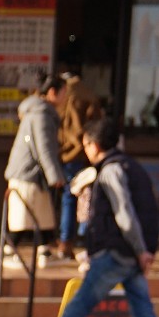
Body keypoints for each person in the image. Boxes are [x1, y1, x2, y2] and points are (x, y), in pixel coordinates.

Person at [9, 117, 159, 317]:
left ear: (94, 145)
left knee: (78, 306)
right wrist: (144, 251)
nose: (85, 150)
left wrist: (140, 250)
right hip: (130, 255)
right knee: (144, 313)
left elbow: (124, 214)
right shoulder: (132, 167)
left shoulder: (111, 171)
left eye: (86, 144)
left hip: (115, 253)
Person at [2, 73, 65, 258]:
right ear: (52, 92)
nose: (65, 98)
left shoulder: (36, 111)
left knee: (40, 214)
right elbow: (44, 148)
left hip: (27, 171)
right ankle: (12, 247)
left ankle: (43, 248)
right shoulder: (41, 115)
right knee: (26, 214)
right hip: (28, 172)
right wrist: (55, 176)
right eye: (63, 93)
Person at [53, 71, 101, 257]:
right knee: (83, 197)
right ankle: (79, 237)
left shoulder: (59, 96)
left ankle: (63, 240)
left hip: (61, 154)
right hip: (82, 153)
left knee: (66, 197)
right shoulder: (87, 94)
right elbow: (96, 125)